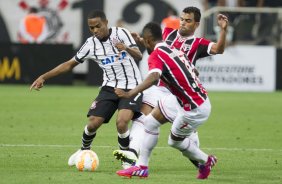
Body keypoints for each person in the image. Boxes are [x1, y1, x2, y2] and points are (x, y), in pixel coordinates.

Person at [113, 6, 228, 168]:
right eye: (182, 19)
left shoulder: (198, 44)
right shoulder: (167, 33)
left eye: (188, 21)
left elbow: (219, 49)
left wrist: (223, 31)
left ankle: (202, 162)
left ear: (196, 25)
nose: (182, 23)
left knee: (184, 138)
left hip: (180, 94)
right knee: (145, 120)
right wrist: (141, 39)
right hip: (158, 87)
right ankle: (132, 159)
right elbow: (154, 45)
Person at [29, 10, 143, 169]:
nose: (95, 30)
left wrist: (125, 48)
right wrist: (44, 77)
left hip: (132, 86)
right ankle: (83, 150)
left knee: (122, 122)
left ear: (106, 22)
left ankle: (126, 157)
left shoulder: (121, 33)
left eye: (98, 26)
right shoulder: (90, 44)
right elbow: (69, 64)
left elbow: (139, 55)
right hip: (109, 87)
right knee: (93, 123)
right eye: (91, 28)